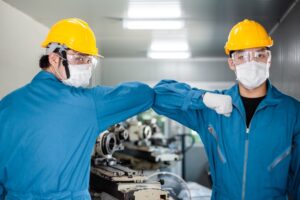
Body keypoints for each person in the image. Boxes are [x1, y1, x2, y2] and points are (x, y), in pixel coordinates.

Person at [0, 18, 153, 200]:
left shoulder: (6, 104)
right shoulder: (86, 103)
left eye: (90, 60)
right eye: (79, 58)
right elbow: (144, 95)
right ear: (55, 58)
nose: (86, 66)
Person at [153, 19, 300, 199]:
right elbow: (159, 95)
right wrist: (202, 98)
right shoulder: (212, 108)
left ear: (268, 59)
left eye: (259, 55)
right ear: (232, 63)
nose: (252, 63)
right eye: (242, 56)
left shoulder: (292, 113)